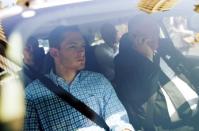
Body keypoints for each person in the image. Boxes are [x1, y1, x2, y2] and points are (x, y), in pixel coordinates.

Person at [24, 26, 134, 131]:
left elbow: (118, 120)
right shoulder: (32, 94)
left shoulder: (99, 82)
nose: (81, 51)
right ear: (54, 52)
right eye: (73, 46)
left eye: (82, 46)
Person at [114, 14, 198, 131]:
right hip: (172, 126)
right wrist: (147, 58)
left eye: (156, 30)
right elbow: (135, 97)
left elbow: (187, 69)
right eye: (149, 33)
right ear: (134, 38)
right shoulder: (124, 62)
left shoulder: (165, 46)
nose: (155, 36)